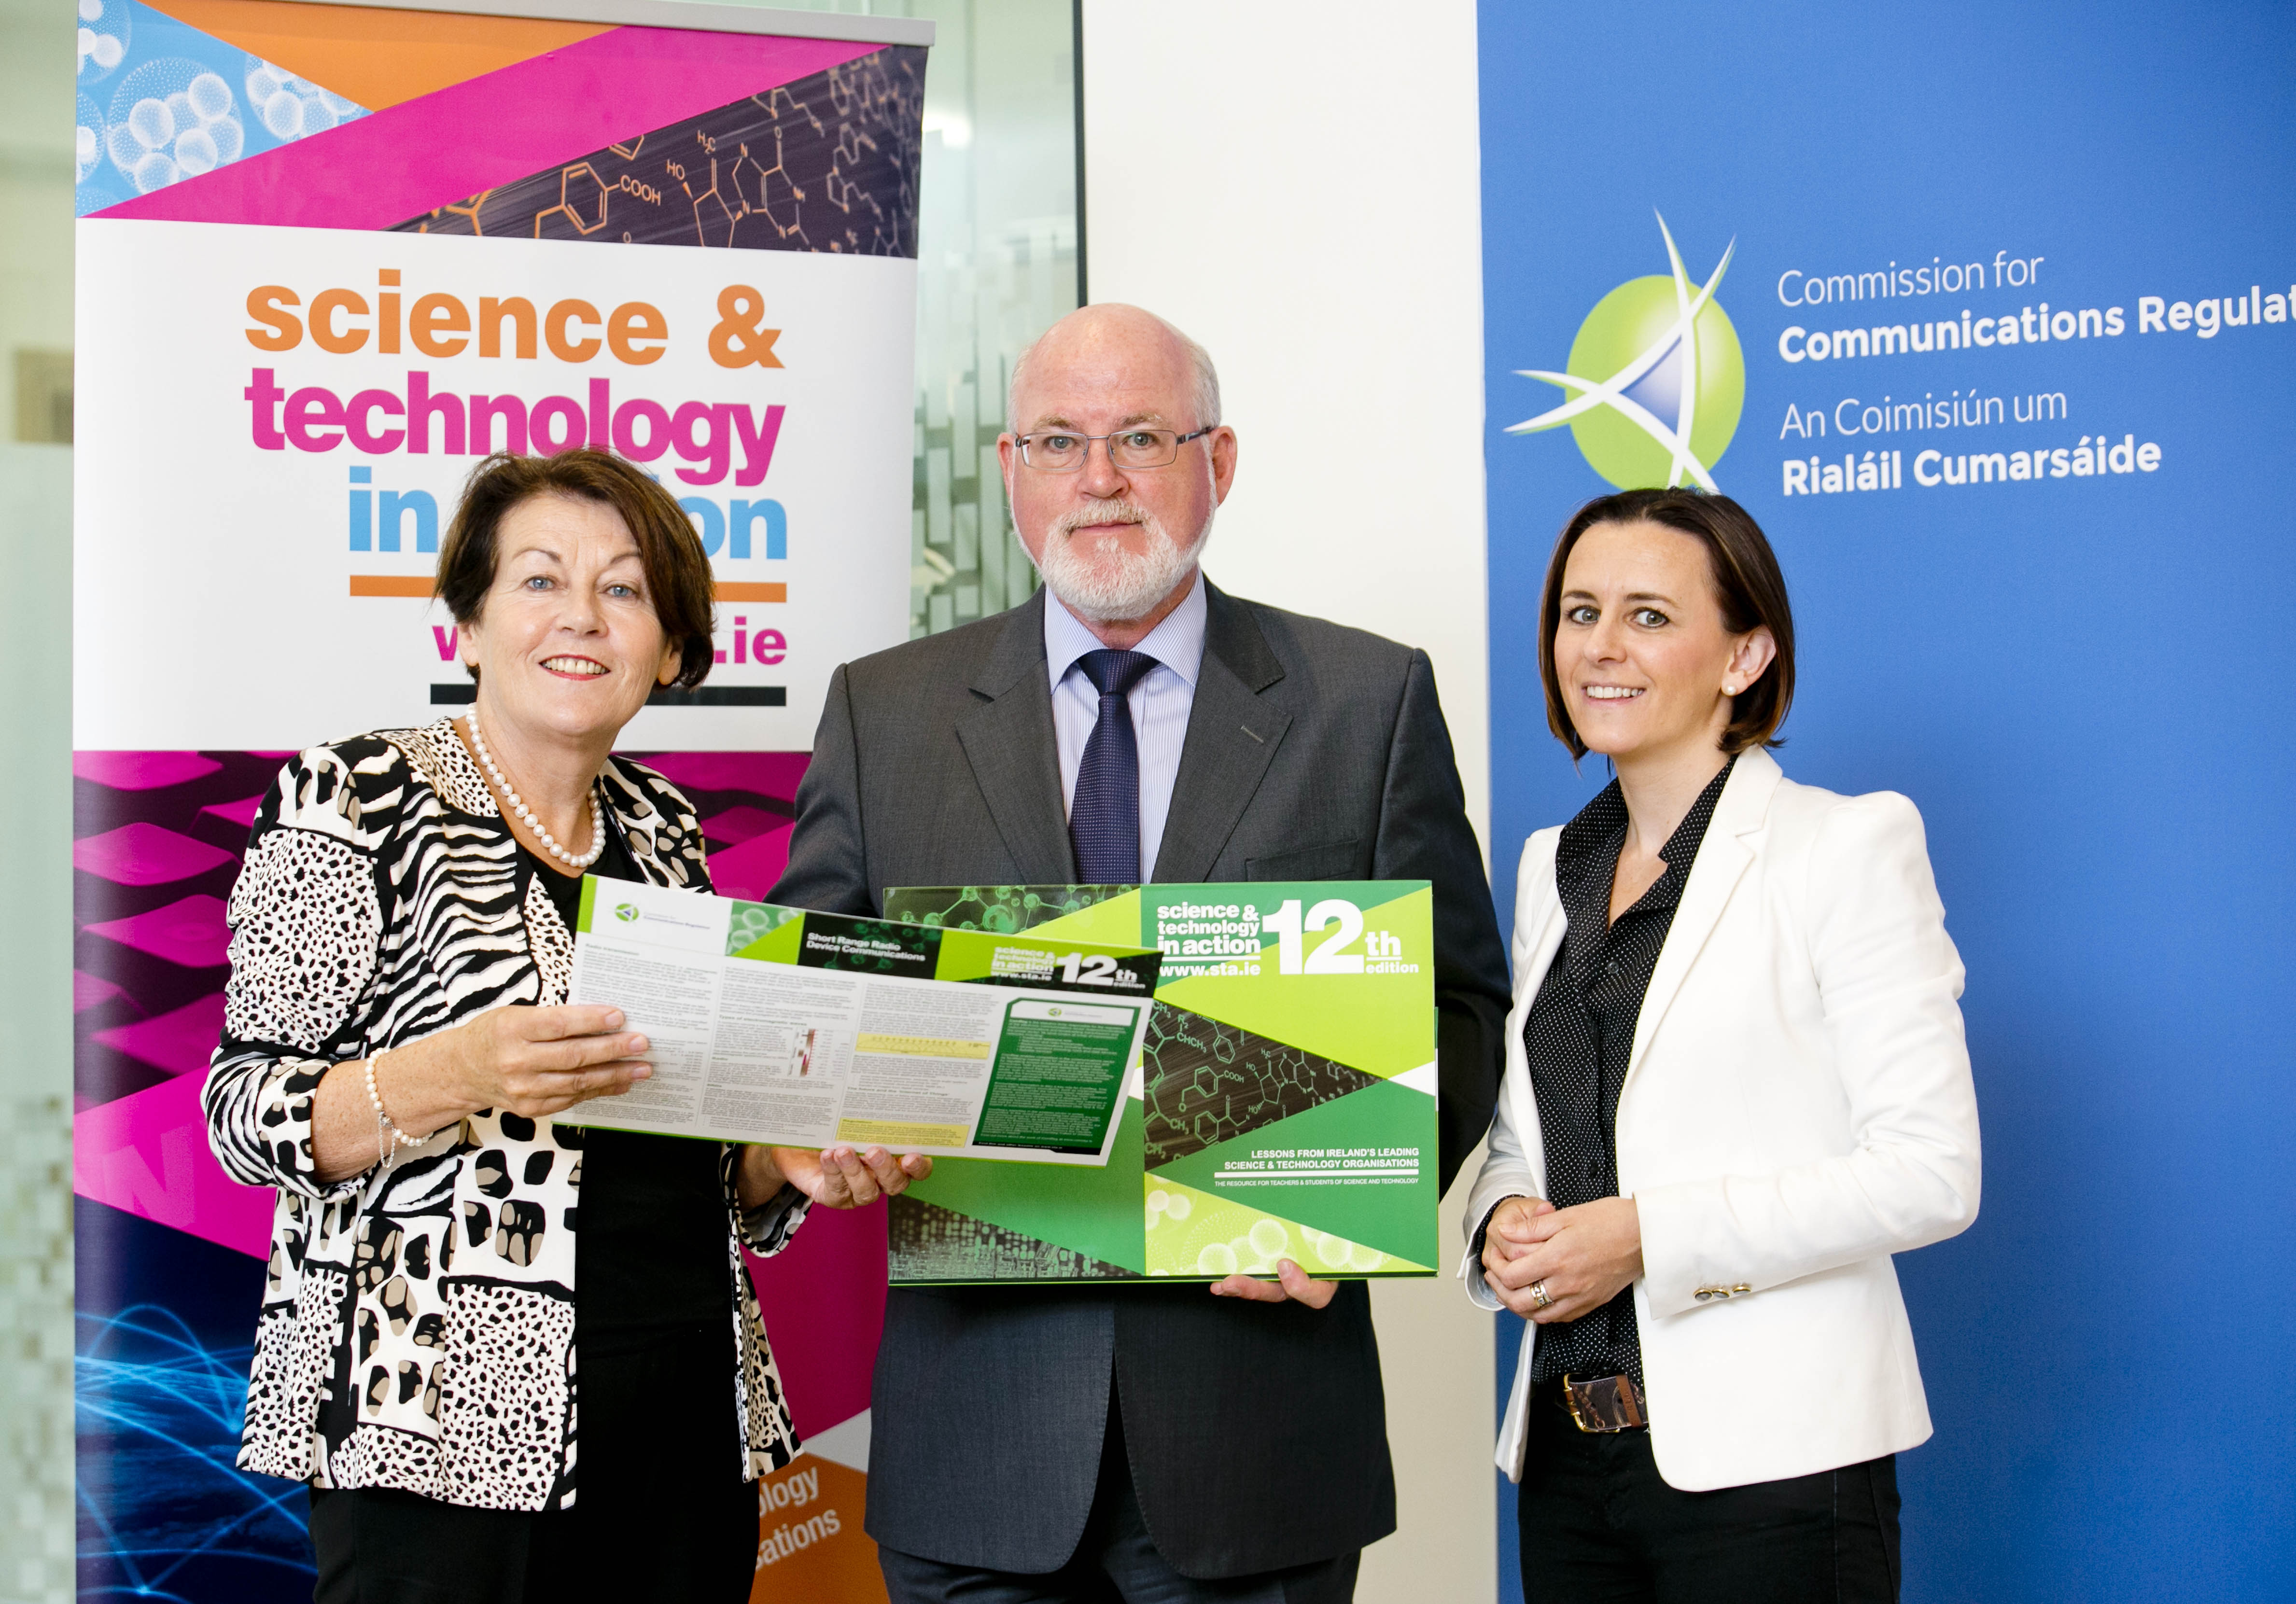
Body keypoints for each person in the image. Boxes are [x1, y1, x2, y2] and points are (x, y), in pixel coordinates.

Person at [771, 303, 1513, 1601]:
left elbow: (1456, 1001)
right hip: (976, 1444)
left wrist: (1349, 1203)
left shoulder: (1364, 700)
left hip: (1256, 1431)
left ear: (1216, 462)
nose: (1097, 478)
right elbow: (817, 994)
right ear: (1009, 471)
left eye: (1139, 437)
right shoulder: (884, 711)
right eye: (1058, 440)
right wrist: (817, 1117)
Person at [202, 448, 929, 1604]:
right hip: (435, 1425)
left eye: (625, 590)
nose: (580, 618)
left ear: (674, 647)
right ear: (467, 625)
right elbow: (243, 1118)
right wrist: (454, 1069)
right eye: (538, 581)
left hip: (687, 1406)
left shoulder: (666, 830)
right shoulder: (352, 794)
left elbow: (685, 1136)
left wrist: (779, 1162)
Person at [1462, 488, 1982, 1602]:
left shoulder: (1842, 847)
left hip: (1773, 1465)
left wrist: (1647, 1237)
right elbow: (1530, 1133)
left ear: (1744, 653)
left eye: (1648, 615)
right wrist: (1503, 1214)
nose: (1597, 646)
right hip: (1564, 1462)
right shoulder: (1551, 869)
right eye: (1576, 610)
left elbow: (1931, 1176)